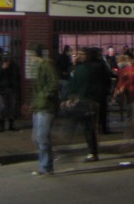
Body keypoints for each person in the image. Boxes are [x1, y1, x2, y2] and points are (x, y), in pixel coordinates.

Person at [66, 48, 101, 162]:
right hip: (78, 100)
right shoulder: (77, 68)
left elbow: (95, 84)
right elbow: (72, 81)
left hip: (88, 100)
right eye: (78, 54)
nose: (79, 56)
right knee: (77, 125)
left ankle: (93, 151)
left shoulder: (93, 67)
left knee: (89, 127)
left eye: (82, 54)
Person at [30, 47, 59, 175]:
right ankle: (46, 165)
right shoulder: (39, 67)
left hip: (46, 107)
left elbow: (53, 82)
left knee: (41, 137)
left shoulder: (46, 66)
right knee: (38, 137)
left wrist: (45, 95)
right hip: (39, 106)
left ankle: (46, 166)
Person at [0, 51, 21, 132]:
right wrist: (2, 69)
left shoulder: (14, 66)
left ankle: (11, 124)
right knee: (2, 107)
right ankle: (1, 125)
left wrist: (16, 86)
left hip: (11, 89)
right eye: (5, 59)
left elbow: (18, 76)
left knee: (12, 107)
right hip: (1, 90)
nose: (6, 60)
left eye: (8, 59)